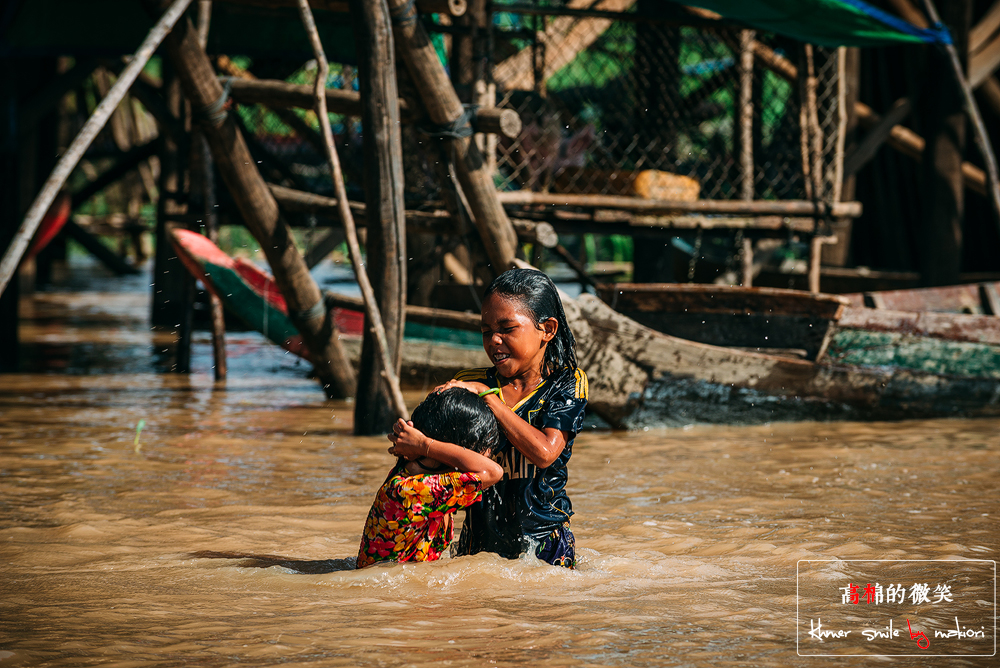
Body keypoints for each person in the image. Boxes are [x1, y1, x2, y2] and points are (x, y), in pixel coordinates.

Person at [432, 268, 588, 569]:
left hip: (545, 548)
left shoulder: (568, 383)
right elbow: (438, 463)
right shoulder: (468, 381)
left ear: (548, 329)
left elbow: (544, 453)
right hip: (476, 548)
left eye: (507, 328)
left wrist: (489, 398)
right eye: (486, 331)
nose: (494, 341)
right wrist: (418, 443)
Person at [356, 388, 503, 568]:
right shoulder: (410, 489)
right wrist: (423, 444)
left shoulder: (421, 476)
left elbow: (438, 416)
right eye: (480, 451)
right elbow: (493, 472)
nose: (484, 458)